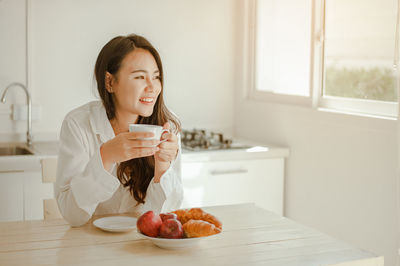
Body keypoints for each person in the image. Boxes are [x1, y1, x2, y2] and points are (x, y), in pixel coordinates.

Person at [55, 34, 183, 227]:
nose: (152, 87)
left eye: (156, 77)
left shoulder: (168, 127)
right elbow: (72, 215)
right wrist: (105, 157)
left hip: (141, 245)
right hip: (87, 245)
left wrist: (162, 168)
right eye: (140, 77)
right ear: (110, 82)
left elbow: (167, 219)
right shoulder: (78, 124)